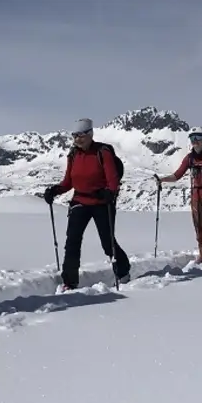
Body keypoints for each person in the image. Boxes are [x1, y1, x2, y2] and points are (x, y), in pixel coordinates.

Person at [42, 118, 131, 290]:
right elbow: (68, 182)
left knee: (107, 242)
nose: (77, 139)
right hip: (80, 201)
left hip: (101, 202)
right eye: (74, 136)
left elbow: (112, 180)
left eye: (81, 135)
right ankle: (69, 281)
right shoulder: (73, 155)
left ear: (90, 134)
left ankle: (123, 272)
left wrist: (108, 193)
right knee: (72, 241)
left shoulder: (102, 152)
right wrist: (55, 190)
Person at [154, 127, 202, 262]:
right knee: (199, 229)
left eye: (198, 138)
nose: (195, 141)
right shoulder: (190, 158)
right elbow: (177, 175)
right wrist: (162, 180)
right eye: (193, 138)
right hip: (196, 195)